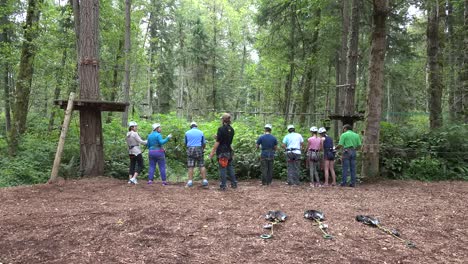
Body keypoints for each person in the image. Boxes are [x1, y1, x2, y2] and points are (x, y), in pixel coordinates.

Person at [209, 113, 237, 191]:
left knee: (222, 168)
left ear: (223, 120)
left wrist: (212, 152)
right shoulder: (231, 129)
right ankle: (234, 184)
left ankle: (223, 185)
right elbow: (227, 141)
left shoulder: (220, 129)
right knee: (230, 167)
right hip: (229, 151)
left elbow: (218, 142)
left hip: (222, 152)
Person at [185, 121, 209, 187]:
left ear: (191, 126)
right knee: (201, 165)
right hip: (199, 148)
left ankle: (190, 182)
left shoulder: (187, 133)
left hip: (190, 149)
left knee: (190, 166)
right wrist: (203, 149)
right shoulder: (201, 132)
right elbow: (203, 143)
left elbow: (186, 143)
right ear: (196, 126)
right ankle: (204, 180)